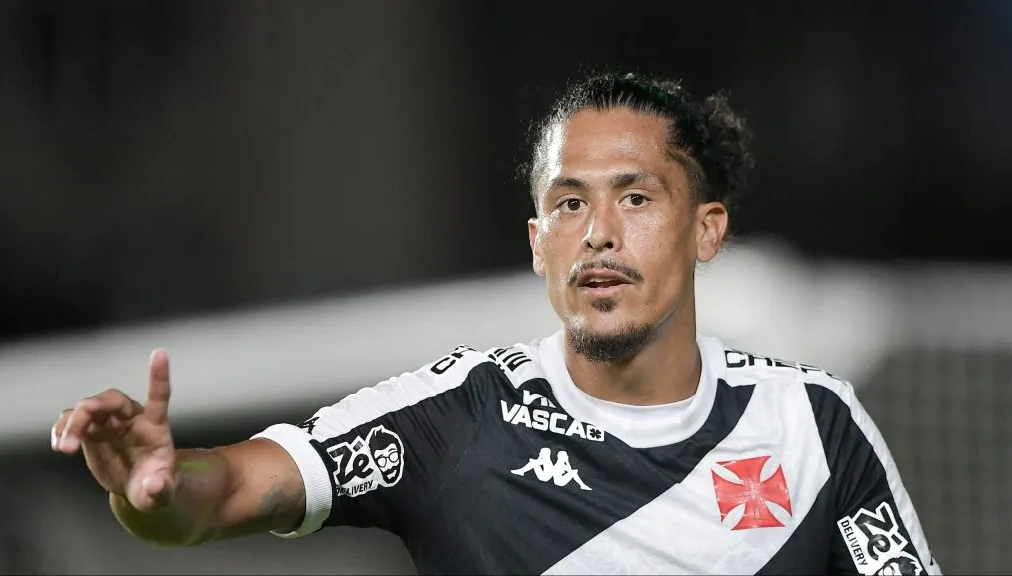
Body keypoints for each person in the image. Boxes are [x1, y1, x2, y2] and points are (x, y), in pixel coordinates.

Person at [51, 72, 940, 575]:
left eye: (635, 198)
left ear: (707, 229)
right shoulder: (456, 418)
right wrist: (154, 492)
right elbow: (230, 493)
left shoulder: (810, 425)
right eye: (567, 205)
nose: (597, 233)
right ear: (536, 243)